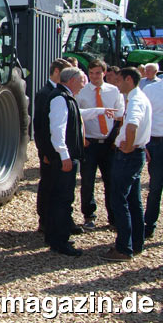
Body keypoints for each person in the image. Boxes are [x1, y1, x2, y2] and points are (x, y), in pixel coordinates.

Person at [101, 67, 152, 262]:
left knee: (119, 200)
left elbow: (132, 126)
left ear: (129, 80)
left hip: (128, 156)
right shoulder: (138, 97)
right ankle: (136, 242)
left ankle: (123, 248)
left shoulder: (135, 100)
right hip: (135, 154)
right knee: (133, 200)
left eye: (119, 80)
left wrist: (129, 146)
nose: (117, 84)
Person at [75, 59, 124, 230]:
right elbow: (76, 116)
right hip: (90, 142)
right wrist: (82, 138)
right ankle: (89, 215)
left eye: (97, 73)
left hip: (109, 143)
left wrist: (116, 138)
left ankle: (113, 216)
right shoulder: (82, 92)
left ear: (104, 73)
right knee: (87, 181)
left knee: (111, 181)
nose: (94, 77)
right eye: (91, 73)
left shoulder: (113, 91)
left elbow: (120, 114)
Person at [43, 67, 85, 256]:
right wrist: (64, 155)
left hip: (63, 157)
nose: (83, 84)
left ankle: (54, 237)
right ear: (72, 80)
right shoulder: (60, 99)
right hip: (63, 159)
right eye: (82, 80)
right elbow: (57, 130)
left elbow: (76, 116)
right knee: (62, 199)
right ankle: (60, 241)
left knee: (58, 198)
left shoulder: (65, 97)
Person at [34, 57, 71, 233]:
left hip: (56, 148)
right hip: (50, 150)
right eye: (65, 73)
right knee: (48, 185)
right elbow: (40, 126)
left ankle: (59, 220)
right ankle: (44, 220)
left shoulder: (57, 92)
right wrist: (44, 152)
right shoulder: (45, 93)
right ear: (56, 71)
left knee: (58, 186)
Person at [143, 78, 163, 239]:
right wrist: (143, 144)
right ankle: (149, 225)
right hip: (156, 143)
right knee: (155, 187)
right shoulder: (150, 89)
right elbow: (143, 117)